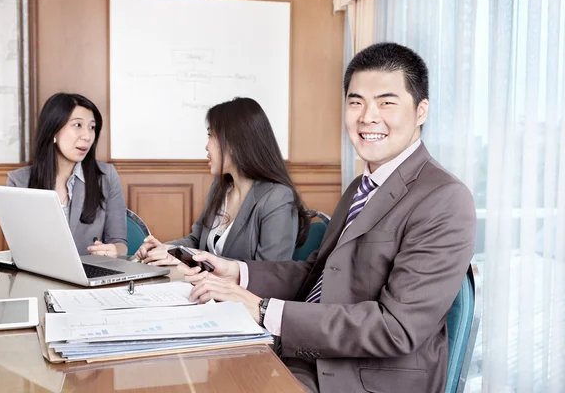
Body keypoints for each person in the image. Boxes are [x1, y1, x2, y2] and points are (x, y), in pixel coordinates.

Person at [177, 43, 476, 393]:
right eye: (356, 102)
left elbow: (395, 328)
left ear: (421, 110)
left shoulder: (444, 198)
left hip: (362, 378)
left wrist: (263, 310)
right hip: (307, 352)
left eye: (387, 102)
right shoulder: (360, 186)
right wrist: (238, 272)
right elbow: (318, 273)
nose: (367, 116)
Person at [135, 97, 312, 265]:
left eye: (210, 135)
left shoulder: (277, 198)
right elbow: (197, 240)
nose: (206, 146)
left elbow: (270, 273)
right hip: (207, 290)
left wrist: (201, 262)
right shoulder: (220, 188)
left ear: (234, 144)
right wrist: (165, 248)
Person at [7, 93, 127, 257]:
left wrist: (114, 251)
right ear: (54, 130)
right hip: (39, 276)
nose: (87, 136)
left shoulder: (106, 176)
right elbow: (20, 248)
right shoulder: (19, 181)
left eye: (92, 127)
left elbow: (120, 244)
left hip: (90, 275)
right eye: (78, 125)